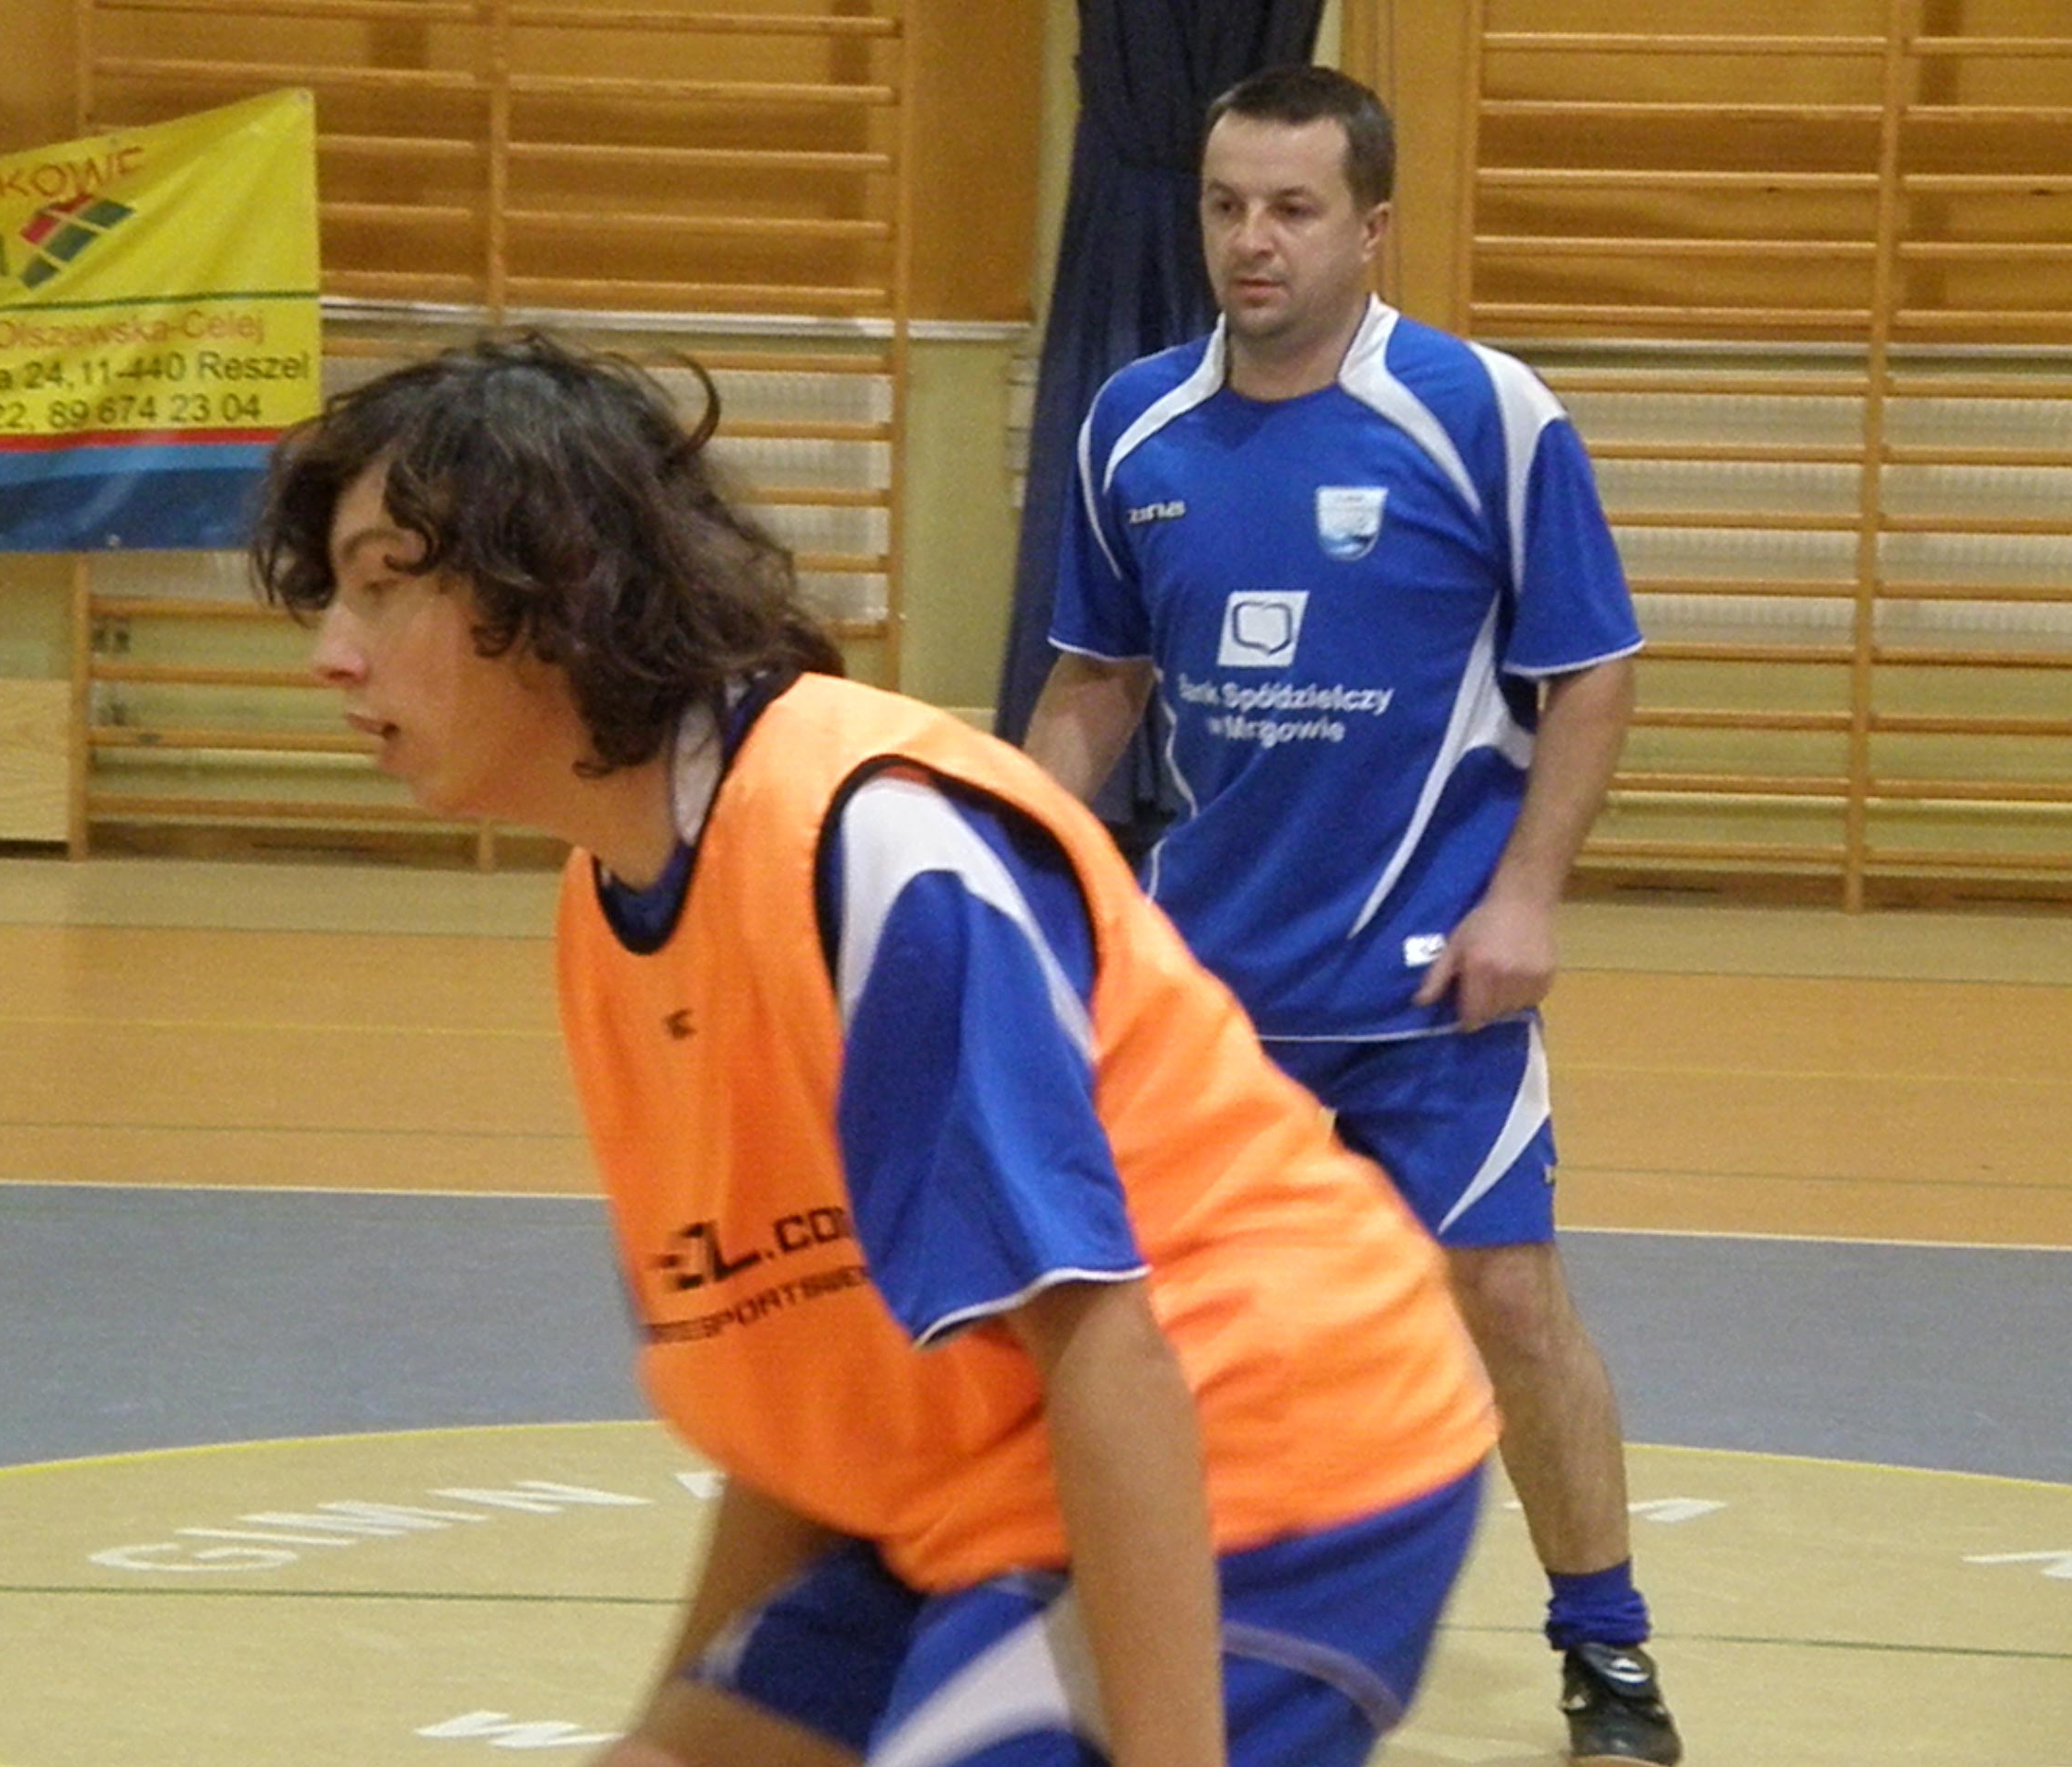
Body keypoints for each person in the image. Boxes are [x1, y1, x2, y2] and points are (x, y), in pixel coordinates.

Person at [254, 328, 1497, 1767]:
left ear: (561, 584)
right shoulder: (612, 907)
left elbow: (1109, 1351)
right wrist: (666, 1734)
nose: (332, 655)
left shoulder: (873, 848)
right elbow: (798, 1373)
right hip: (975, 1489)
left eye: (384, 584)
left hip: (1266, 1464)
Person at [1020, 64, 1680, 1767]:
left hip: (1429, 995)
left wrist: (1526, 896)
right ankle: (1131, 1649)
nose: (1254, 239)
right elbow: (1096, 681)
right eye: (1227, 205)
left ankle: (1606, 1653)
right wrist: (1020, 882)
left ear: (1372, 226)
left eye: (1294, 209)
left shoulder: (1482, 412)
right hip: (1207, 1002)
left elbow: (1593, 670)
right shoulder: (1133, 427)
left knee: (1509, 1304)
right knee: (1133, 1333)